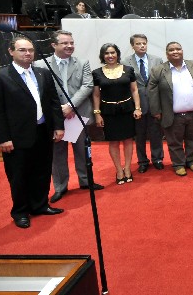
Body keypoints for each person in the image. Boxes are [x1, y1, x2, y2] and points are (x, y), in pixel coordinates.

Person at [0, 36, 65, 229]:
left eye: (30, 50)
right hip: (16, 137)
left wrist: (58, 126)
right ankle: (20, 212)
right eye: (22, 50)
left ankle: (40, 205)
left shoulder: (43, 73)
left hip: (43, 131)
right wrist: (3, 138)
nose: (28, 53)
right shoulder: (0, 77)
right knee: (19, 175)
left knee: (42, 171)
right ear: (11, 52)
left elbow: (53, 102)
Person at [34, 30, 103, 204]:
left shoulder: (82, 62)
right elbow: (41, 91)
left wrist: (70, 106)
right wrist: (60, 110)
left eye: (71, 43)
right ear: (54, 45)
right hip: (55, 117)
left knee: (82, 151)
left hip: (77, 114)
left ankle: (86, 181)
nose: (69, 46)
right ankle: (60, 187)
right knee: (57, 154)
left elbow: (87, 85)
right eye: (65, 43)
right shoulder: (41, 64)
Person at [148, 42, 193, 176]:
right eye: (171, 50)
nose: (175, 52)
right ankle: (178, 164)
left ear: (182, 51)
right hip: (172, 114)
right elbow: (152, 92)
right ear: (167, 54)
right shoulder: (158, 70)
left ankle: (192, 160)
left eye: (178, 49)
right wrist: (156, 111)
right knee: (174, 142)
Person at [92, 43, 142, 184]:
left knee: (128, 140)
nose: (110, 56)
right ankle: (119, 170)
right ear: (102, 56)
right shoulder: (97, 73)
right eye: (107, 53)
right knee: (113, 142)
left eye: (113, 52)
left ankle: (127, 168)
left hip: (127, 110)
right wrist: (97, 113)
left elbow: (134, 90)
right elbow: (96, 95)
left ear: (117, 54)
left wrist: (137, 108)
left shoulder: (128, 70)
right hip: (108, 112)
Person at [122, 34, 165, 173]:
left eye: (144, 43)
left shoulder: (157, 60)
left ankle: (157, 159)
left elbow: (161, 82)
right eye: (138, 43)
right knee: (139, 135)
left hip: (154, 102)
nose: (142, 46)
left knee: (156, 133)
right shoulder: (125, 62)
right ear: (132, 46)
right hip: (137, 104)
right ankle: (142, 161)